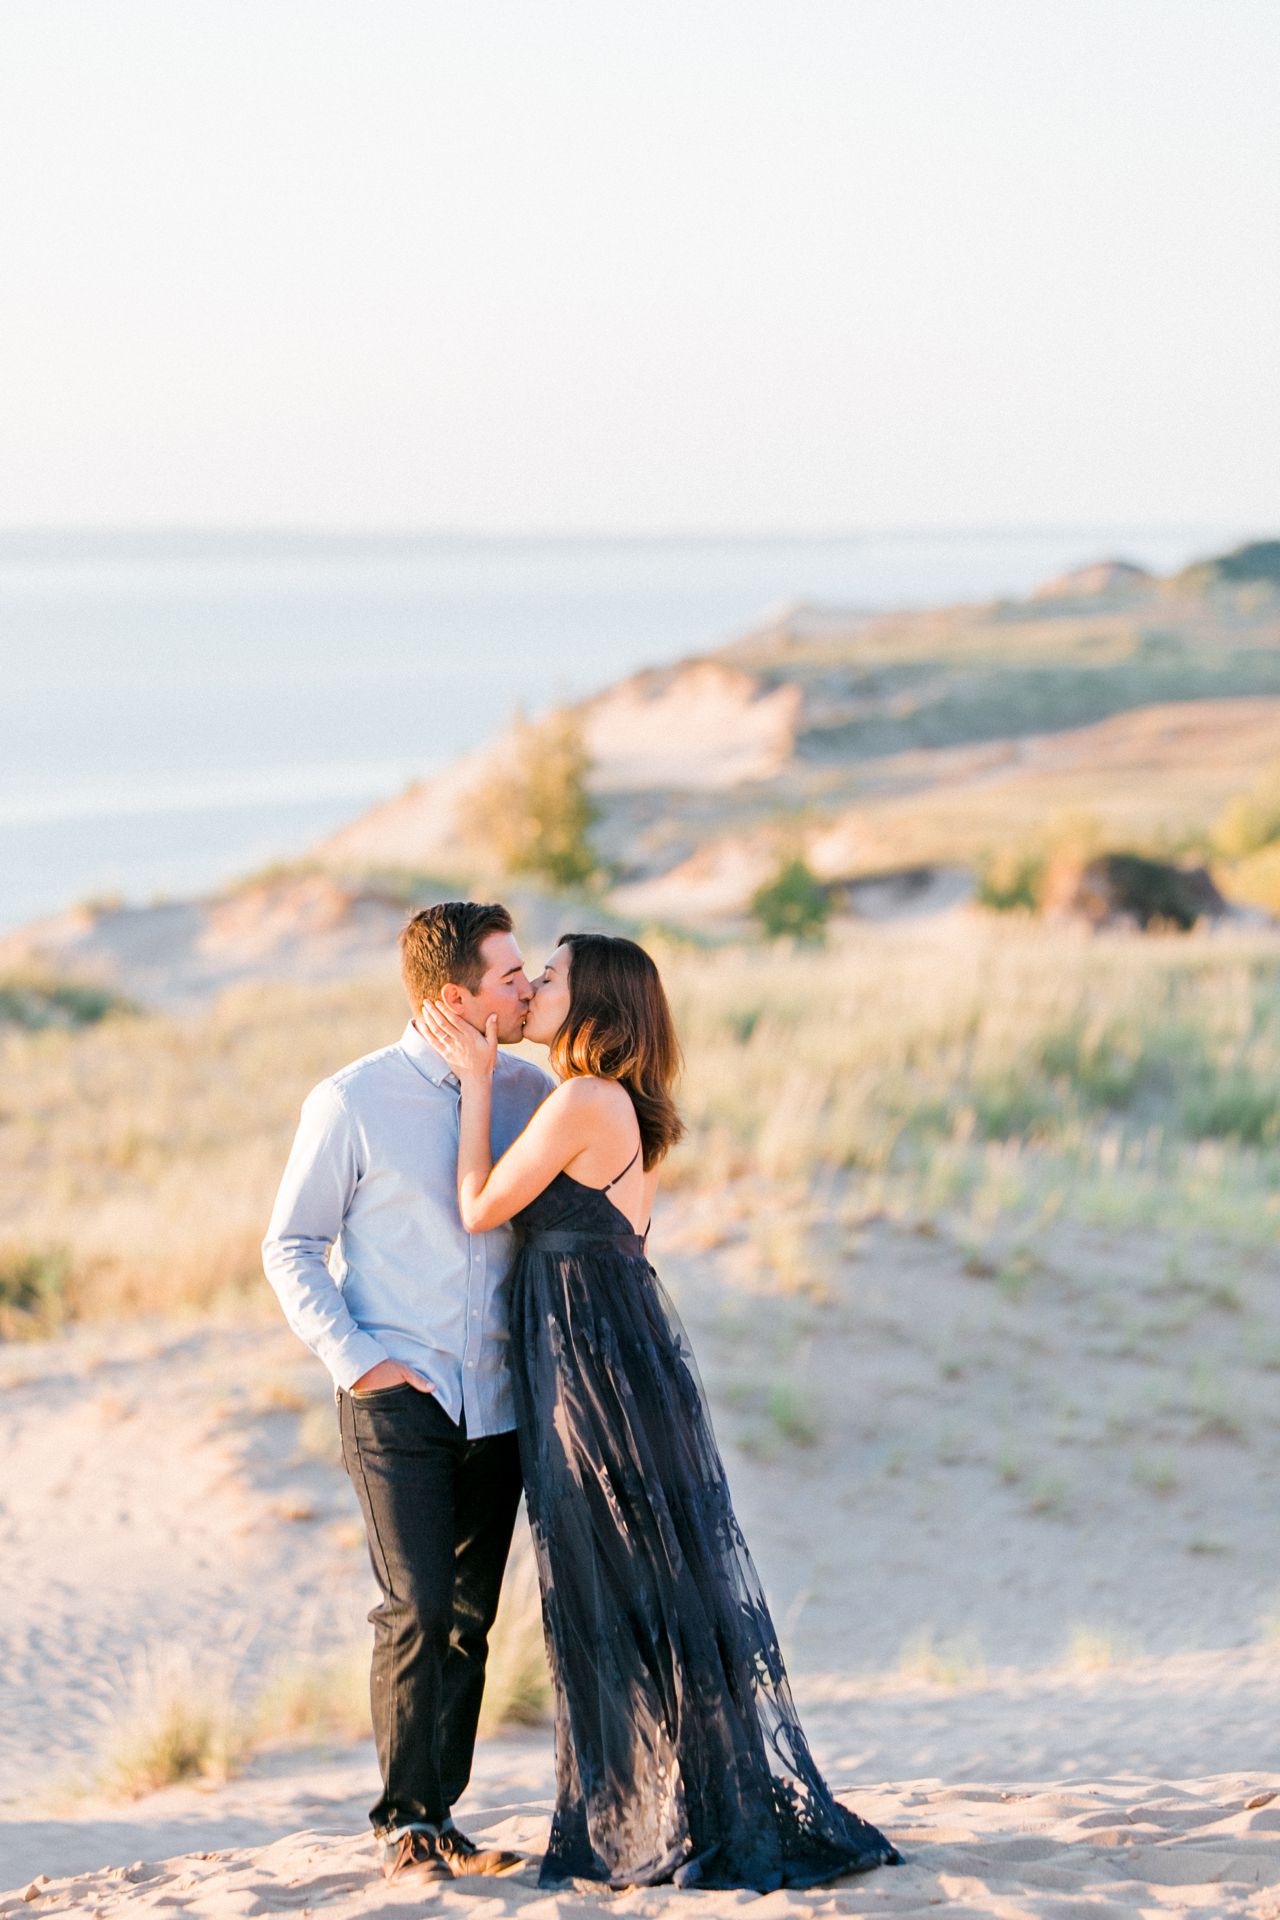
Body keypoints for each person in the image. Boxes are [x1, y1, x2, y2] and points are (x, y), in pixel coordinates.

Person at [420, 931, 900, 1891]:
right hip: (613, 1355)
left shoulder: (584, 1101)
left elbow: (476, 1205)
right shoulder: (613, 1101)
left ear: (591, 1001)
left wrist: (476, 1077)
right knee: (648, 1583)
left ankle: (653, 1824)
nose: (537, 986)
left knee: (617, 1585)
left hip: (593, 1368)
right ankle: (682, 1812)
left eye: (550, 976)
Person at [262, 902, 553, 1885]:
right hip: (396, 1394)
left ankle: (441, 1816)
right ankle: (402, 1819)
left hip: (503, 1400)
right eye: (508, 977)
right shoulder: (349, 1101)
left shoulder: (529, 1089)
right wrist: (355, 1357)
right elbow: (289, 1245)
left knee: (471, 1619)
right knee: (416, 1608)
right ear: (452, 998)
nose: (524, 989)